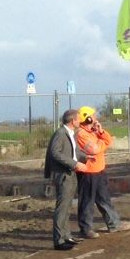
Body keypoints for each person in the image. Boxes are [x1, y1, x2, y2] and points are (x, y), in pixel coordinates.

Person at [74, 107, 120, 236]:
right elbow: (93, 149)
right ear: (87, 118)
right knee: (87, 201)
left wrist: (101, 132)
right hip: (88, 173)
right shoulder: (81, 134)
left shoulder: (93, 132)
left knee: (104, 199)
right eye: (93, 116)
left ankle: (114, 224)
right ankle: (86, 229)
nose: (95, 118)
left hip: (99, 171)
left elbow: (109, 141)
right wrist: (102, 143)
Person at [43, 110, 83, 250]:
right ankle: (59, 240)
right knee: (62, 207)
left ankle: (67, 236)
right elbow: (55, 153)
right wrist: (74, 164)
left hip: (70, 173)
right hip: (63, 174)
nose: (80, 121)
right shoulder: (60, 134)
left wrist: (87, 157)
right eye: (78, 119)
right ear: (72, 121)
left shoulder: (70, 134)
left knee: (67, 207)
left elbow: (73, 153)